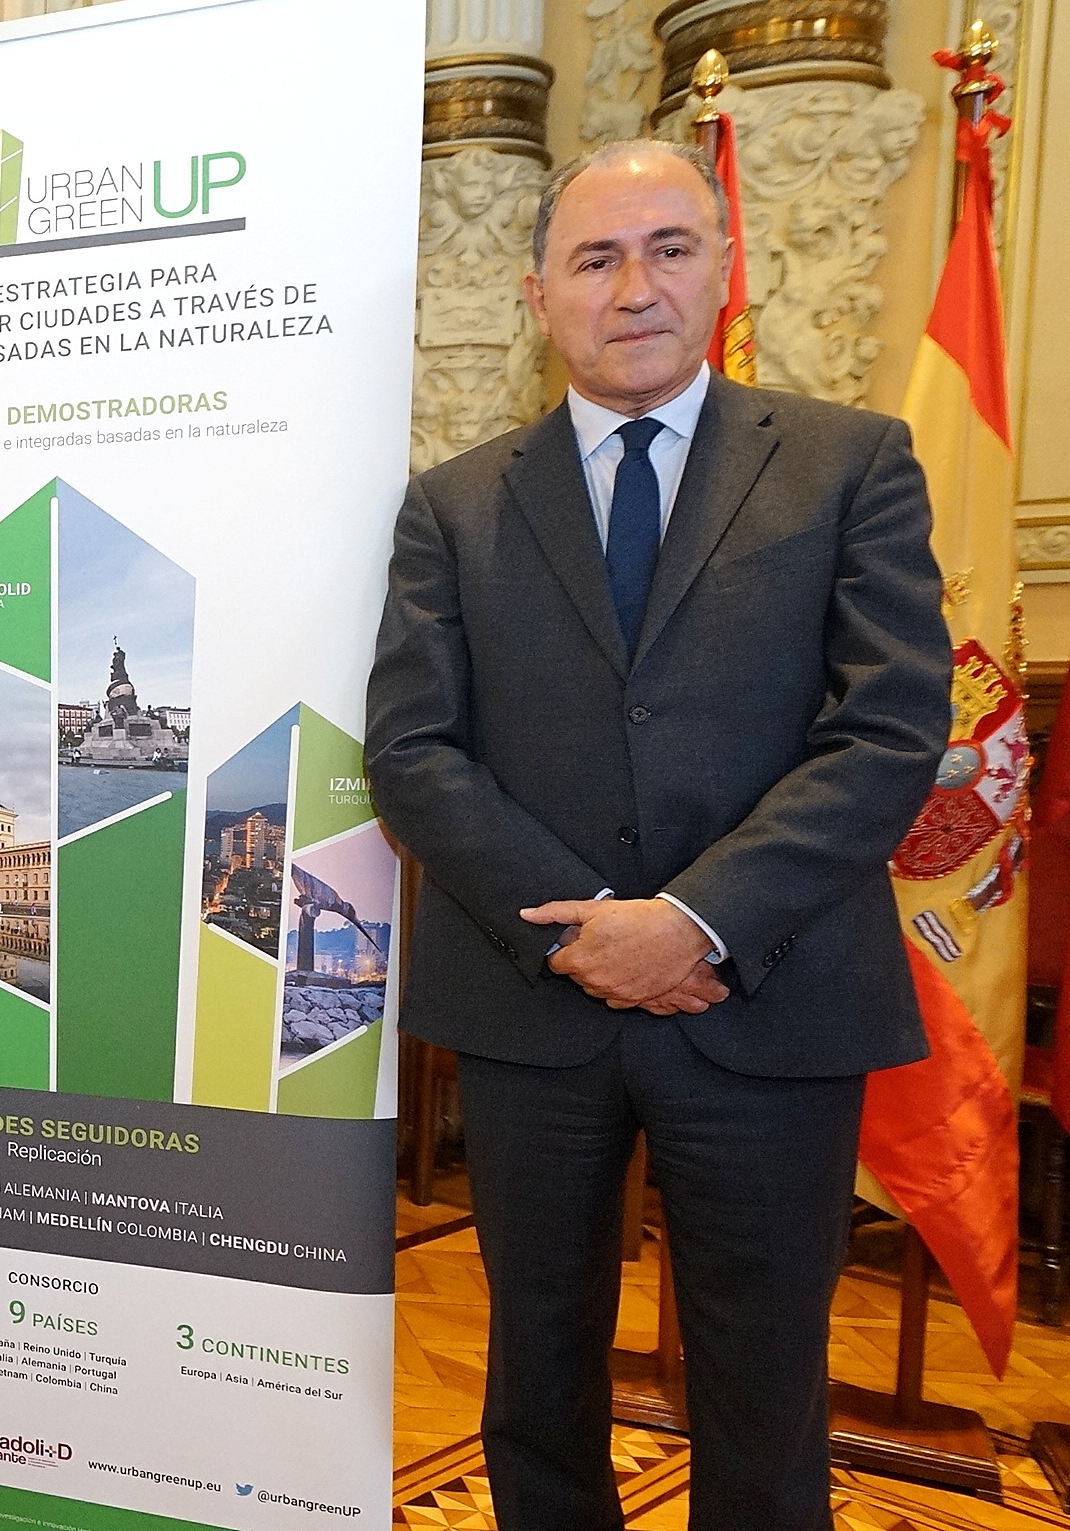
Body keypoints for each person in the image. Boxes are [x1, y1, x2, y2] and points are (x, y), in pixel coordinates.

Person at [364, 139, 952, 1531]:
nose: (635, 287)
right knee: (537, 1367)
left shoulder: (850, 463)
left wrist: (693, 923)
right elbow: (414, 750)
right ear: (539, 295)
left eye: (669, 248)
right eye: (595, 257)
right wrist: (587, 933)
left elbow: (888, 730)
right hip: (535, 1005)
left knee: (765, 1380)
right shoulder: (454, 503)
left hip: (771, 995)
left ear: (723, 267)